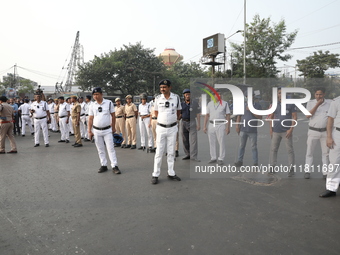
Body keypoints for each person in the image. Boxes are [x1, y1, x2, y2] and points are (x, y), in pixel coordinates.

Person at [151, 79, 182, 184]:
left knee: (171, 152)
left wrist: (173, 120)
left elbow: (178, 111)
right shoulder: (158, 98)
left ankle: (171, 172)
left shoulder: (176, 97)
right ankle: (155, 174)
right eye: (161, 88)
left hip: (172, 128)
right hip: (161, 128)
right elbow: (155, 112)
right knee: (159, 152)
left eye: (164, 87)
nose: (162, 89)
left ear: (170, 87)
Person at [88, 87, 121, 174]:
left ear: (101, 94)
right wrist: (89, 131)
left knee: (111, 148)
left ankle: (114, 166)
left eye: (97, 94)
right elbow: (90, 118)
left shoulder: (108, 103)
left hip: (107, 130)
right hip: (96, 130)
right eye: (94, 95)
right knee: (100, 149)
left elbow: (113, 116)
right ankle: (104, 165)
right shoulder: (92, 105)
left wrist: (113, 127)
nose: (95, 96)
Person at [268, 87, 297, 176]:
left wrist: (291, 129)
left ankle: (291, 169)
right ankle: (272, 167)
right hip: (276, 130)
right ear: (277, 94)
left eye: (282, 93)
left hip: (286, 131)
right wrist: (271, 129)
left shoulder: (291, 104)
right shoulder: (274, 104)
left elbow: (295, 117)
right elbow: (271, 117)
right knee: (273, 150)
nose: (280, 94)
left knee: (289, 150)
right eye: (279, 93)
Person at [304, 87, 331, 179]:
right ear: (314, 94)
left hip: (325, 132)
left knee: (326, 153)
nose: (318, 96)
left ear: (324, 94)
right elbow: (308, 115)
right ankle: (307, 171)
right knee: (309, 152)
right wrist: (317, 105)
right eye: (316, 94)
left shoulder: (330, 103)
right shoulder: (310, 103)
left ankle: (325, 172)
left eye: (320, 94)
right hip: (313, 131)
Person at [203, 91, 231, 165]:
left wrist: (228, 127)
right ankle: (213, 157)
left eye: (220, 94)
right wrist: (204, 126)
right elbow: (207, 115)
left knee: (221, 141)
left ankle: (221, 158)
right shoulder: (210, 104)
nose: (219, 95)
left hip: (221, 124)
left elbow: (228, 115)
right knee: (211, 142)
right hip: (211, 124)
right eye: (217, 94)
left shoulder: (225, 104)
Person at [319, 97, 340, 197]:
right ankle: (331, 189)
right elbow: (330, 120)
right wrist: (329, 137)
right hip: (338, 134)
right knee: (335, 161)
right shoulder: (336, 101)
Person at [235, 92, 262, 167]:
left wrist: (251, 110)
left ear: (253, 97)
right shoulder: (242, 105)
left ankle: (255, 163)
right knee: (241, 146)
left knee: (253, 147)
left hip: (252, 130)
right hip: (243, 129)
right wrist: (237, 126)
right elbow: (239, 116)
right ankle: (240, 161)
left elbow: (260, 117)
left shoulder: (257, 106)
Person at [180, 88, 201, 161]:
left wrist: (198, 124)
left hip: (192, 122)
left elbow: (198, 114)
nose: (187, 96)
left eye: (189, 94)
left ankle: (194, 156)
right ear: (184, 95)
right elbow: (179, 114)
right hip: (183, 122)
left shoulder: (195, 103)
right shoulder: (181, 104)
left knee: (193, 140)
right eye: (186, 94)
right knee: (184, 139)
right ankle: (187, 154)